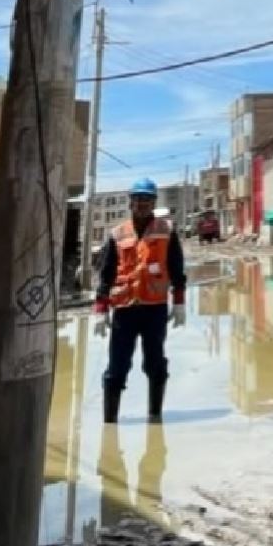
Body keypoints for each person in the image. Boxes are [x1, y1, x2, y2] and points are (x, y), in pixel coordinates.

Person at [94, 177, 187, 424]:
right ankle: (109, 423)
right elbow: (106, 272)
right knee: (116, 368)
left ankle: (155, 416)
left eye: (147, 199)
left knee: (156, 364)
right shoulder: (117, 234)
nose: (142, 204)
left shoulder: (167, 232)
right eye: (138, 199)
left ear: (154, 202)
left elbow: (177, 269)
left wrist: (179, 302)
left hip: (154, 310)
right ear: (130, 202)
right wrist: (101, 308)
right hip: (124, 311)